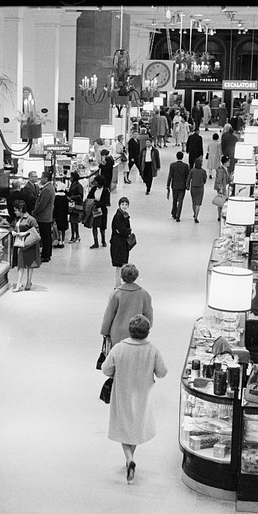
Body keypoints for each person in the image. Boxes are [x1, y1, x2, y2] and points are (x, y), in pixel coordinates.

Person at [101, 314, 167, 483]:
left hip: (122, 392)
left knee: (124, 425)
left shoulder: (119, 348)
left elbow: (106, 369)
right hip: (143, 394)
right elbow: (162, 372)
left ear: (129, 331)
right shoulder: (152, 349)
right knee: (137, 425)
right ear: (148, 332)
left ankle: (129, 459)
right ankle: (130, 458)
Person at [100, 264, 154, 348]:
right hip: (137, 333)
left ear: (121, 276)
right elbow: (148, 315)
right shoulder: (144, 294)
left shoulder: (116, 294)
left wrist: (105, 331)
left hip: (117, 334)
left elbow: (109, 315)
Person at [31, 171, 55, 263]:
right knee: (47, 236)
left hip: (43, 217)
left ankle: (45, 255)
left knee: (45, 237)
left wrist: (35, 212)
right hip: (46, 216)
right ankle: (47, 253)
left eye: (42, 177)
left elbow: (42, 204)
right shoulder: (49, 187)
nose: (41, 179)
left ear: (46, 178)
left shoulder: (47, 189)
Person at [109, 197, 133, 288]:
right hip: (118, 244)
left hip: (121, 243)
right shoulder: (119, 216)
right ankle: (118, 284)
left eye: (126, 204)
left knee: (121, 264)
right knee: (120, 265)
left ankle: (119, 284)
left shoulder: (124, 215)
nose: (124, 206)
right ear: (119, 205)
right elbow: (122, 230)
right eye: (122, 204)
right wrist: (128, 231)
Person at [87, 174, 111, 249]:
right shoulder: (94, 189)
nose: (94, 182)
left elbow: (106, 202)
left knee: (102, 227)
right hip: (94, 210)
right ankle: (95, 242)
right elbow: (89, 197)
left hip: (102, 210)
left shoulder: (106, 190)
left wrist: (97, 204)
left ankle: (103, 240)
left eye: (95, 181)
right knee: (94, 226)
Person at [166, 151, 190, 222]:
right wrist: (188, 185)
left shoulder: (172, 165)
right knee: (181, 201)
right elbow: (187, 176)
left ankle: (174, 212)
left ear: (176, 157)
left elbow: (170, 175)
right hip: (182, 186)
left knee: (175, 199)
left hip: (174, 185)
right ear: (182, 157)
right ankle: (178, 216)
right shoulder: (185, 166)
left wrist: (168, 184)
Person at [187, 156, 208, 223]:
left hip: (193, 187)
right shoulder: (203, 171)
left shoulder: (192, 170)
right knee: (198, 203)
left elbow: (188, 179)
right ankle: (196, 216)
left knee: (194, 201)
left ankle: (194, 213)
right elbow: (205, 180)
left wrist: (187, 185)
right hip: (200, 188)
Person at [67, 171, 84, 243]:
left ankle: (75, 236)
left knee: (74, 221)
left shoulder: (78, 186)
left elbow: (80, 196)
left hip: (76, 206)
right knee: (73, 221)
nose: (70, 178)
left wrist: (71, 197)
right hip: (72, 205)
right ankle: (75, 235)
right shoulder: (73, 184)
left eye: (71, 177)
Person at [215, 155, 232, 221]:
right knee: (221, 202)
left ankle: (221, 215)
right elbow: (218, 180)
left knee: (222, 202)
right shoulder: (221, 170)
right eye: (228, 162)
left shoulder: (226, 169)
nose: (229, 163)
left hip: (225, 187)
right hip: (222, 188)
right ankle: (219, 215)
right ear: (225, 162)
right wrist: (220, 188)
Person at [52, 182, 69, 248]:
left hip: (57, 215)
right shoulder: (65, 197)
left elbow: (54, 207)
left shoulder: (56, 197)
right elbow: (67, 207)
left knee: (57, 229)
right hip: (64, 215)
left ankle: (58, 241)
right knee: (63, 229)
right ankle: (63, 241)